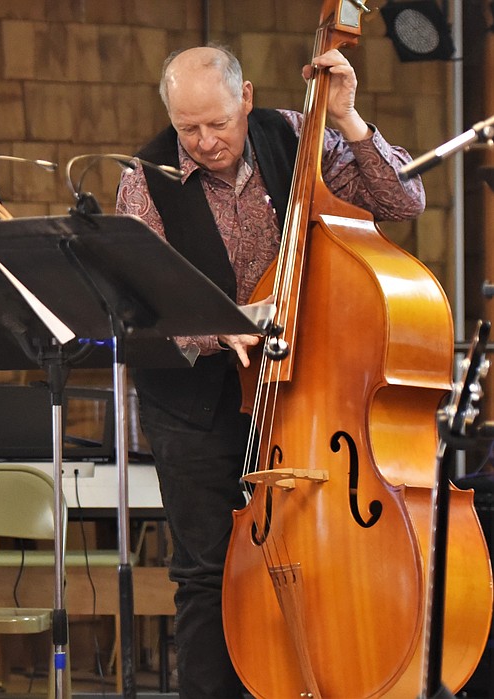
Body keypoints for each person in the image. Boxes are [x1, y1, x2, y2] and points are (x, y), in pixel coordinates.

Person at [114, 45, 426, 698]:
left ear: (247, 97)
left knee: (314, 557)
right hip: (193, 407)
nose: (202, 141)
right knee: (205, 572)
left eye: (217, 124)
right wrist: (214, 324)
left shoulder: (299, 132)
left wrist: (348, 121)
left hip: (303, 399)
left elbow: (403, 202)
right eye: (187, 127)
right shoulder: (145, 179)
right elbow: (133, 305)